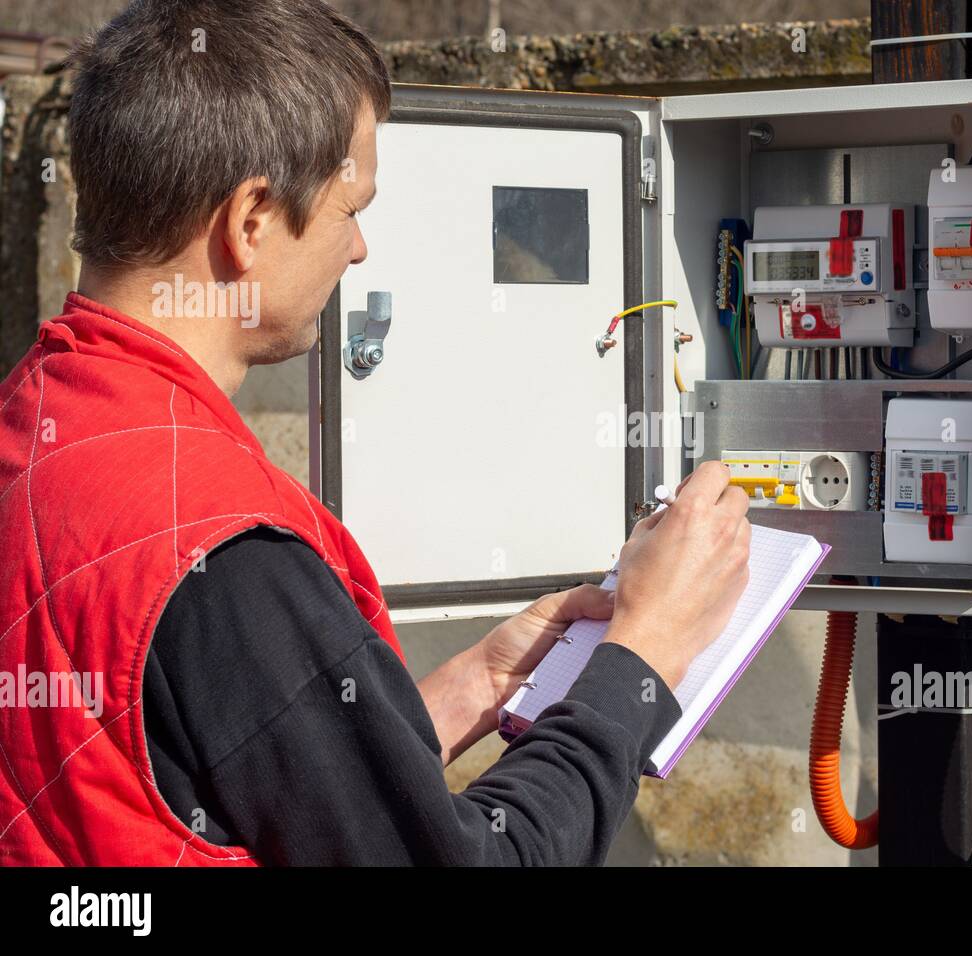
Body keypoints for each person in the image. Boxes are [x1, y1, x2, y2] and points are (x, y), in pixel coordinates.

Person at [0, 0, 750, 866]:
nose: (359, 250)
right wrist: (645, 649)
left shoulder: (37, 420)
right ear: (250, 222)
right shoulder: (224, 552)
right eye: (349, 208)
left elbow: (255, 783)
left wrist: (475, 685)